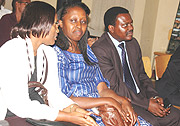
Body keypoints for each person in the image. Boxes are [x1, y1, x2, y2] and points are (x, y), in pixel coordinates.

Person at [53, 2, 153, 126]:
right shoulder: (57, 54)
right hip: (81, 111)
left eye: (83, 22)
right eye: (73, 21)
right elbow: (65, 99)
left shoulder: (87, 51)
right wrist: (108, 101)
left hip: (103, 106)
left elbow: (102, 88)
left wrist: (122, 101)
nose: (79, 26)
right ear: (61, 23)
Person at [0, 1, 98, 126]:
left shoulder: (48, 52)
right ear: (42, 23)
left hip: (39, 112)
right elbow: (19, 105)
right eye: (55, 24)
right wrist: (67, 116)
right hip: (12, 115)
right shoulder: (13, 50)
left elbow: (54, 94)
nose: (58, 29)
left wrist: (74, 108)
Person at [91, 6, 180, 126]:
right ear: (111, 28)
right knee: (152, 122)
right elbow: (116, 86)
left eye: (131, 23)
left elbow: (142, 75)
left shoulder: (132, 43)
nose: (131, 28)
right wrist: (147, 104)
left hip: (142, 97)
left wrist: (154, 96)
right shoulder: (100, 49)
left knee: (175, 116)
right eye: (125, 25)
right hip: (121, 100)